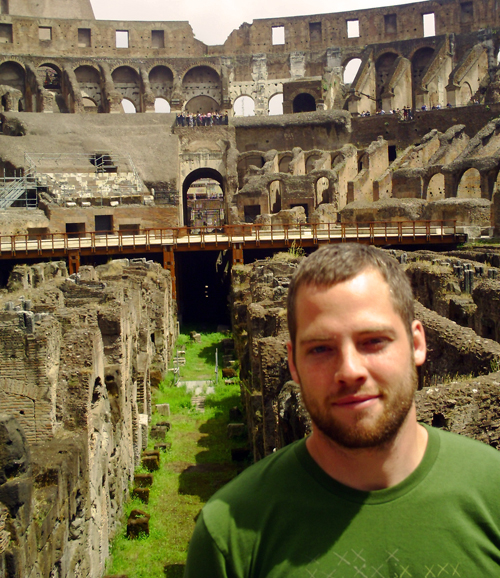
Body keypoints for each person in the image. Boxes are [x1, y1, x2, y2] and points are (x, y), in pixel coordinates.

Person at [184, 244, 500, 578]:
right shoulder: (228, 537)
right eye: (321, 348)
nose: (349, 370)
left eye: (374, 341)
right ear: (292, 362)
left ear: (417, 343)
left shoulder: (493, 492)